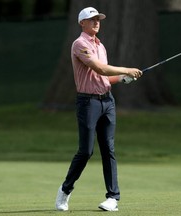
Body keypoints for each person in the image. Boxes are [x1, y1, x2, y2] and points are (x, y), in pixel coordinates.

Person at [55, 7, 142, 212]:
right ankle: (65, 190)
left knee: (108, 149)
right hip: (88, 103)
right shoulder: (80, 44)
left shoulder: (100, 46)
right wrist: (126, 69)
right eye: (91, 19)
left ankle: (113, 197)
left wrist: (121, 78)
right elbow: (100, 68)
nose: (96, 22)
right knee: (86, 151)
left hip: (107, 101)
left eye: (98, 19)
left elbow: (103, 77)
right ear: (81, 23)